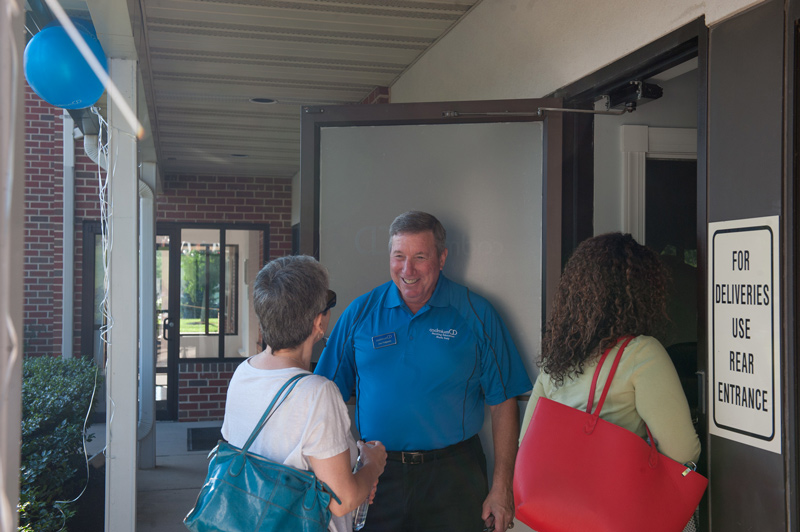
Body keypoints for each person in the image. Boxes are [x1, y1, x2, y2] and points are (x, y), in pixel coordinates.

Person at [315, 211, 532, 532]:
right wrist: (338, 479)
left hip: (455, 475)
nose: (407, 270)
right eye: (399, 256)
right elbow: (324, 398)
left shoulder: (476, 313)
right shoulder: (360, 313)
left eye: (420, 257)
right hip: (377, 477)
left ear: (442, 258)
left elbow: (503, 403)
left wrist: (502, 489)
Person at [221, 255, 387, 532]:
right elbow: (341, 500)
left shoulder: (243, 373)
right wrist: (372, 466)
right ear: (318, 323)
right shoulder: (318, 393)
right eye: (328, 302)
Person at [519, 232, 701, 473]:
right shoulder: (640, 353)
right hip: (613, 506)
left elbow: (526, 443)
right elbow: (682, 453)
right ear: (642, 294)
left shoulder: (557, 359)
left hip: (549, 505)